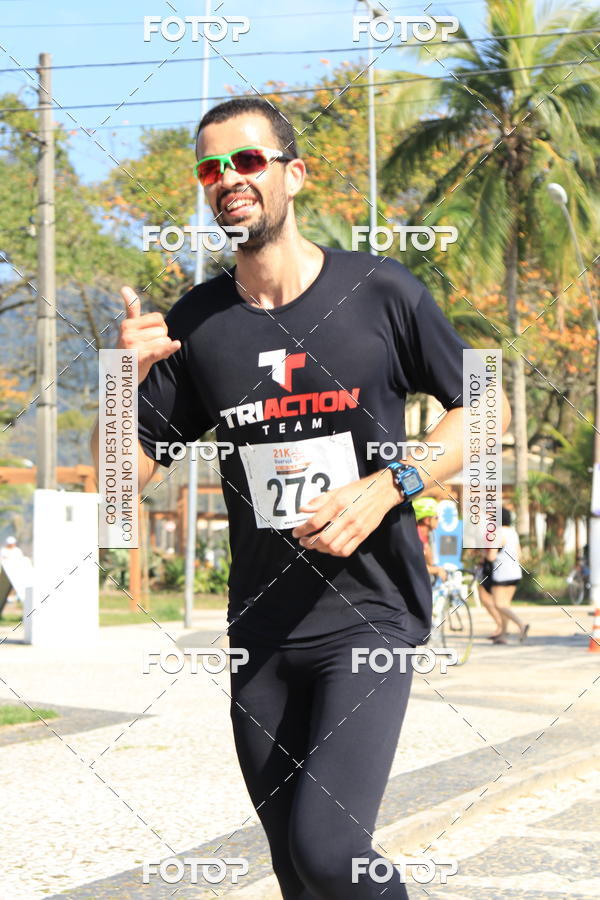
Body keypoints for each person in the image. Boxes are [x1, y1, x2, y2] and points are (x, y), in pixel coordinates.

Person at [91, 97, 511, 898]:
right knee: (296, 872)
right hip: (261, 633)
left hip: (370, 616)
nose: (229, 179)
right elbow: (119, 485)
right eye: (211, 168)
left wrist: (390, 485)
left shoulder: (381, 290)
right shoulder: (197, 321)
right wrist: (117, 383)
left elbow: (487, 407)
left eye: (248, 160)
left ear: (295, 174)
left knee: (330, 852)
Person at [485, 507, 529, 644]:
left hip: (501, 573)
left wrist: (483, 554)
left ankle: (521, 624)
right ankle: (502, 635)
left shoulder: (497, 533)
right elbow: (519, 553)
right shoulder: (512, 532)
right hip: (515, 572)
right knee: (505, 605)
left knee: (498, 604)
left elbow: (491, 556)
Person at [412, 497, 447, 583]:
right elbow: (415, 566)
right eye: (436, 517)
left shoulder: (426, 536)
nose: (439, 520)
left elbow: (430, 562)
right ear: (427, 520)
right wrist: (437, 570)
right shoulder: (415, 536)